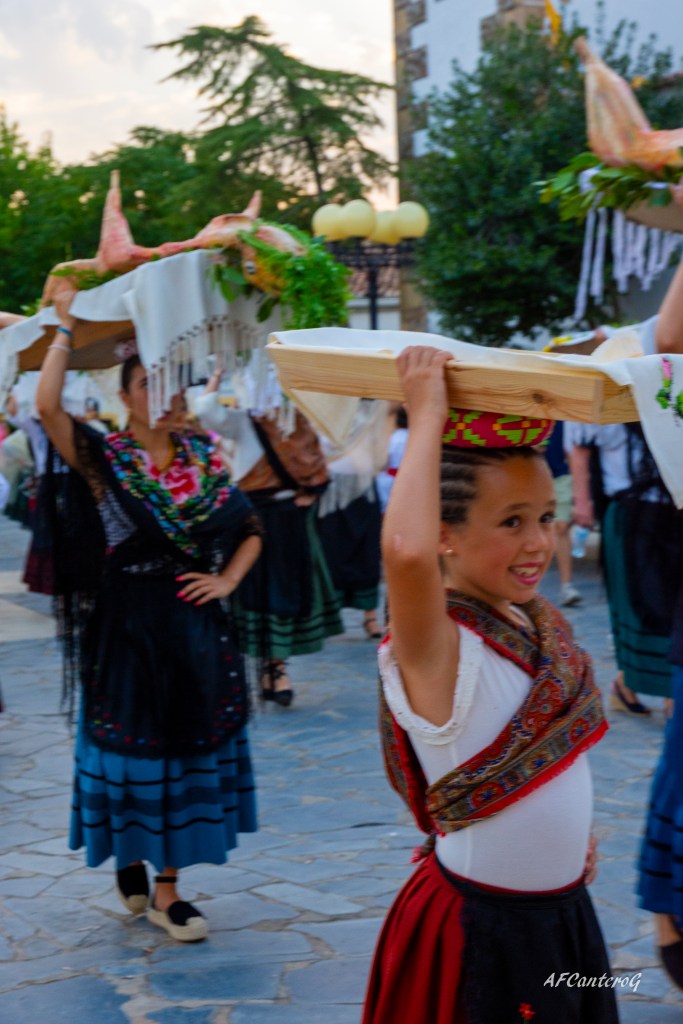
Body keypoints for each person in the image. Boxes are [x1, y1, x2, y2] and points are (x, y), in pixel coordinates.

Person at [362, 346, 616, 1024]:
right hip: (483, 931)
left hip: (562, 911)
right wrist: (425, 414)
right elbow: (404, 553)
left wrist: (562, 841)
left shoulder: (535, 626)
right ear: (444, 535)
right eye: (511, 522)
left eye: (544, 516)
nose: (537, 542)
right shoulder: (438, 644)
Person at [35, 302, 263, 943]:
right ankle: (130, 856)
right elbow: (48, 406)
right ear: (126, 396)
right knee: (131, 748)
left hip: (194, 627)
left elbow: (249, 528)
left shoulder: (202, 455)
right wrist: (64, 326)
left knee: (185, 747)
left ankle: (168, 891)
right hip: (126, 628)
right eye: (149, 385)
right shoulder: (104, 458)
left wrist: (227, 580)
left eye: (173, 385)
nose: (166, 397)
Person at [195, 369, 343, 706]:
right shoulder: (242, 421)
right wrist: (217, 374)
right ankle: (268, 667)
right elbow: (206, 410)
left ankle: (277, 667)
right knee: (256, 594)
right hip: (251, 520)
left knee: (285, 592)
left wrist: (311, 493)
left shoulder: (298, 422)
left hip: (290, 519)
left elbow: (318, 467)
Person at [544, 420, 582, 607]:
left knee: (561, 527)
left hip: (560, 474)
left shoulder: (564, 417)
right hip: (530, 474)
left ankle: (567, 585)